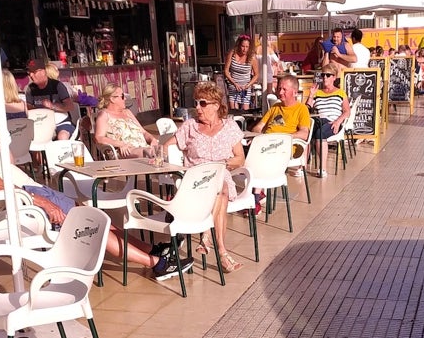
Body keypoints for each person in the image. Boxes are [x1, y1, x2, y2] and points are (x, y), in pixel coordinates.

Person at [0, 88, 191, 280]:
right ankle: (157, 263)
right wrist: (43, 202)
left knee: (93, 215)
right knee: (91, 223)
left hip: (31, 192)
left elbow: (8, 164)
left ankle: (152, 250)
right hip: (23, 202)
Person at [164, 83, 245, 273]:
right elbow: (166, 146)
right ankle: (221, 252)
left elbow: (240, 158)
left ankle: (217, 245)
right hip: (194, 179)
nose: (197, 108)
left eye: (202, 103)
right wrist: (159, 158)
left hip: (220, 173)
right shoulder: (190, 126)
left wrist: (224, 163)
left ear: (216, 105)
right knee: (219, 190)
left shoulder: (230, 127)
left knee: (221, 187)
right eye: (196, 103)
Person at [252, 74, 311, 208]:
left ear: (294, 92)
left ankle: (255, 196)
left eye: (284, 89)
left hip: (285, 147)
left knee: (261, 158)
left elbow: (304, 133)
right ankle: (256, 192)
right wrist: (257, 135)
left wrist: (285, 137)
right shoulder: (275, 107)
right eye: (279, 89)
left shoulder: (301, 109)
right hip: (266, 144)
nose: (280, 92)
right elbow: (259, 127)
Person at [305, 64, 350, 178]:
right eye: (323, 75)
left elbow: (346, 111)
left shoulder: (340, 92)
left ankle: (323, 168)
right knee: (305, 133)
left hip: (332, 122)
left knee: (320, 133)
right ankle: (302, 166)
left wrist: (338, 121)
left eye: (328, 75)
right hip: (319, 120)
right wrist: (311, 95)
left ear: (334, 77)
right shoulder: (317, 92)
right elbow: (306, 110)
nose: (325, 78)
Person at [94, 84, 158, 159]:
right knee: (151, 153)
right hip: (124, 151)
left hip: (143, 147)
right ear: (112, 99)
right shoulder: (104, 115)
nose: (125, 99)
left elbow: (143, 132)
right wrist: (120, 144)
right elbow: (98, 138)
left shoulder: (127, 112)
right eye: (122, 96)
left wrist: (152, 139)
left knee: (167, 149)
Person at [25, 58, 75, 140]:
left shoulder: (57, 86)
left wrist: (52, 106)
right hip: (42, 123)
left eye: (34, 72)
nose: (30, 75)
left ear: (43, 71)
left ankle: (64, 152)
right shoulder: (30, 89)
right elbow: (29, 109)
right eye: (29, 73)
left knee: (62, 136)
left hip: (61, 122)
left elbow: (70, 106)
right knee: (31, 139)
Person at [224, 34, 259, 110]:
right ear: (239, 45)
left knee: (245, 110)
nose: (244, 49)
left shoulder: (252, 57)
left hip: (245, 88)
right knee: (234, 111)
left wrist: (248, 85)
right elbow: (226, 70)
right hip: (233, 86)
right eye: (243, 46)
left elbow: (256, 75)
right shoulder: (232, 54)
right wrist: (234, 83)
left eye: (247, 47)